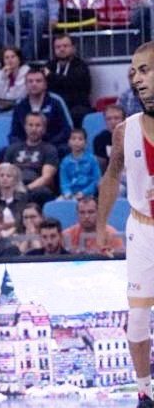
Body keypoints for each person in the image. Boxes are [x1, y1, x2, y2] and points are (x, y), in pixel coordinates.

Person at [96, 41, 154, 408]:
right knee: (137, 317)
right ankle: (144, 391)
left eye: (144, 70)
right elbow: (111, 176)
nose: (136, 79)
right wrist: (101, 225)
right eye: (133, 72)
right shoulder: (124, 131)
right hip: (142, 228)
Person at [8, 67, 72, 148]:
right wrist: (24, 146)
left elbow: (66, 130)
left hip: (52, 146)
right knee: (3, 152)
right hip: (26, 148)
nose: (34, 84)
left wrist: (48, 145)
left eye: (38, 81)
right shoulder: (20, 106)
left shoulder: (55, 103)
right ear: (26, 85)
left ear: (45, 85)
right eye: (30, 81)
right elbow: (14, 134)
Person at [4, 112, 59, 204]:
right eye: (30, 125)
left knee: (43, 193)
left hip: (34, 189)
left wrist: (25, 189)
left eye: (38, 125)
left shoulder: (49, 149)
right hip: (13, 186)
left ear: (44, 129)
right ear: (25, 127)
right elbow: (3, 173)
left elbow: (46, 178)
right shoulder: (13, 148)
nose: (34, 129)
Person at [45, 34, 93, 126]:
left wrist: (51, 76)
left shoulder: (81, 66)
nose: (61, 49)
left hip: (76, 106)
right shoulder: (50, 65)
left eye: (65, 46)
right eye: (58, 47)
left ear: (73, 48)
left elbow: (72, 83)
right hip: (54, 105)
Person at [0, 162, 28, 233]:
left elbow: (22, 221)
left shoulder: (23, 198)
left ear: (15, 180)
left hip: (19, 234)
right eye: (1, 175)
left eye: (8, 176)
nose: (4, 178)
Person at [59, 128, 100, 199]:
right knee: (58, 203)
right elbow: (64, 181)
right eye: (73, 139)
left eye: (80, 139)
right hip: (70, 195)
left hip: (88, 194)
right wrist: (67, 193)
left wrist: (84, 192)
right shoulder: (65, 162)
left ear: (85, 143)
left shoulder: (92, 159)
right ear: (69, 142)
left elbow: (96, 180)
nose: (76, 142)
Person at [95, 104, 126, 172]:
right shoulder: (100, 139)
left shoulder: (133, 136)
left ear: (124, 120)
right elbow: (101, 167)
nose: (113, 122)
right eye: (109, 119)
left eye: (116, 118)